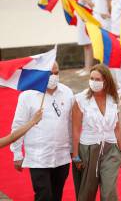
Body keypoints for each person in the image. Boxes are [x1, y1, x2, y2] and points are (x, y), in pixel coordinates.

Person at [10, 62, 74, 201]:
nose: (54, 76)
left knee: (57, 196)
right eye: (50, 73)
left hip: (61, 156)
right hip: (38, 157)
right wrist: (17, 153)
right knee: (44, 196)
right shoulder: (27, 96)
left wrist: (73, 149)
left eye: (56, 73)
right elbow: (18, 125)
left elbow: (70, 123)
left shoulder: (67, 92)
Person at [72, 64, 121, 201]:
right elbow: (76, 129)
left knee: (109, 192)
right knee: (87, 193)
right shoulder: (81, 99)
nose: (93, 82)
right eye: (92, 79)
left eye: (97, 79)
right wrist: (76, 155)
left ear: (106, 81)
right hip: (89, 149)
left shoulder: (114, 98)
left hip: (111, 149)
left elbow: (117, 126)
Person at [75, 0, 94, 77]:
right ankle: (85, 67)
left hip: (86, 20)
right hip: (80, 20)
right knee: (84, 45)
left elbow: (91, 5)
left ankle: (89, 68)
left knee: (88, 45)